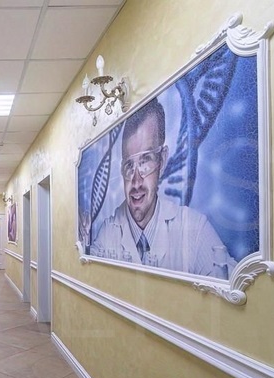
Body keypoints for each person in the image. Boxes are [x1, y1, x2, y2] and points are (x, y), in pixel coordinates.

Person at [90, 98, 236, 278]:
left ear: (163, 160)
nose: (136, 181)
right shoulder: (108, 232)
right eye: (129, 165)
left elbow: (232, 287)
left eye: (146, 160)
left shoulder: (194, 229)